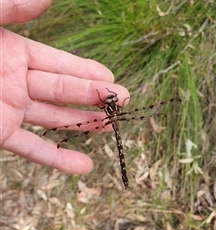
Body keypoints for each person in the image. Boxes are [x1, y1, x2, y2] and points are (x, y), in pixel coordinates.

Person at [0, 0, 129, 174]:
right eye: (111, 98)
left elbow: (102, 103)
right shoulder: (110, 107)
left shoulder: (104, 105)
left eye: (110, 98)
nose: (110, 98)